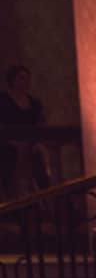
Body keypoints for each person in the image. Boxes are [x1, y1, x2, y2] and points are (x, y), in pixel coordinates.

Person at [1, 64, 50, 196]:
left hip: (32, 148)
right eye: (21, 78)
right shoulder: (3, 101)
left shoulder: (34, 102)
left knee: (42, 179)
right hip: (9, 148)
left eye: (27, 78)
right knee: (12, 184)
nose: (25, 81)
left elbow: (41, 123)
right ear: (12, 80)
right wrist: (12, 143)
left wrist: (37, 142)